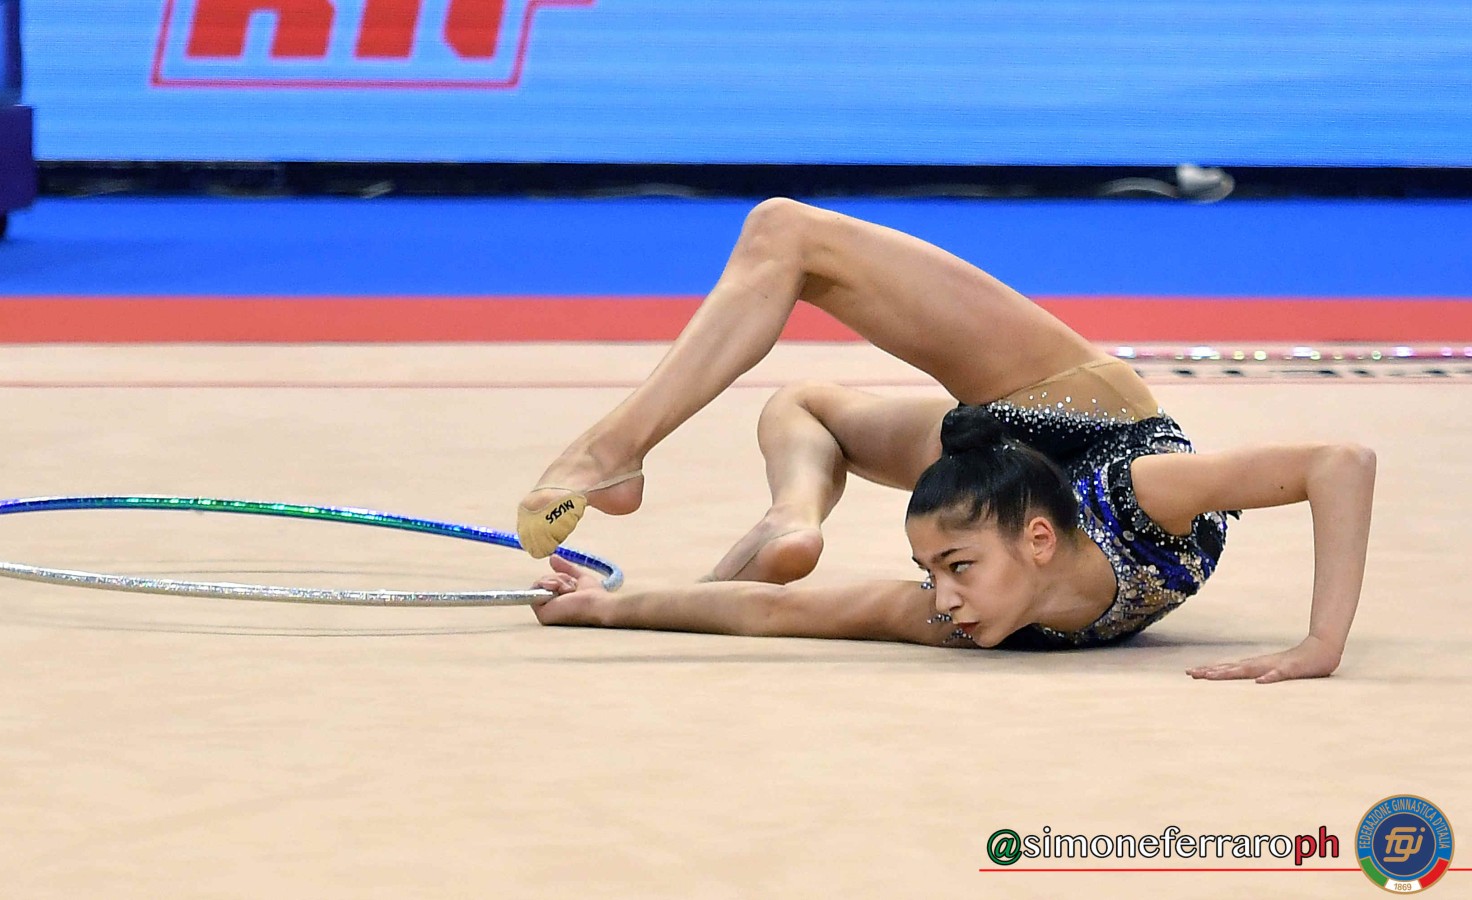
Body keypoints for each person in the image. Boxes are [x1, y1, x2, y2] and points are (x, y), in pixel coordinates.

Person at [515, 199, 1376, 684]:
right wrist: (1323, 642)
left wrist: (611, 606)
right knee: (788, 274)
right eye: (936, 571)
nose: (944, 596)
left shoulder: (961, 619)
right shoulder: (1146, 498)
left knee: (791, 278)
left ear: (1034, 543)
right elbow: (1336, 463)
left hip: (1026, 447)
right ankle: (786, 511)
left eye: (952, 569)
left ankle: (767, 507)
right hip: (1078, 417)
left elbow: (773, 613)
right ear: (1038, 543)